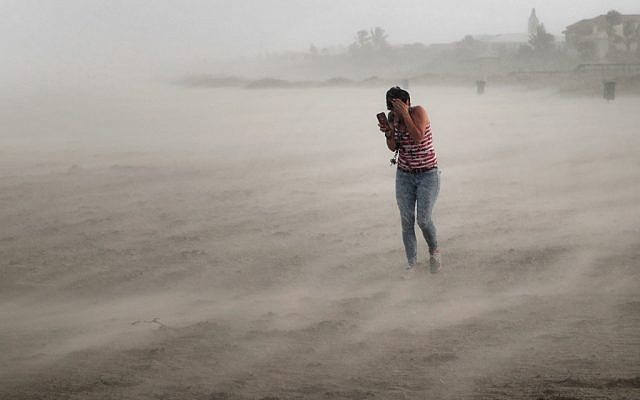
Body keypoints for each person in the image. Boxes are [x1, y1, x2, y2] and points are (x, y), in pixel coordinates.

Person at [378, 87, 441, 275]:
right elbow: (393, 147)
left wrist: (405, 114)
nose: (394, 112)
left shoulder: (419, 112)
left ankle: (434, 250)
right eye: (392, 108)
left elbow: (418, 136)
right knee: (406, 220)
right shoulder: (392, 118)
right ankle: (411, 263)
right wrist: (388, 132)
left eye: (398, 106)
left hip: (428, 174)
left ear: (408, 103)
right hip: (404, 175)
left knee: (423, 219)